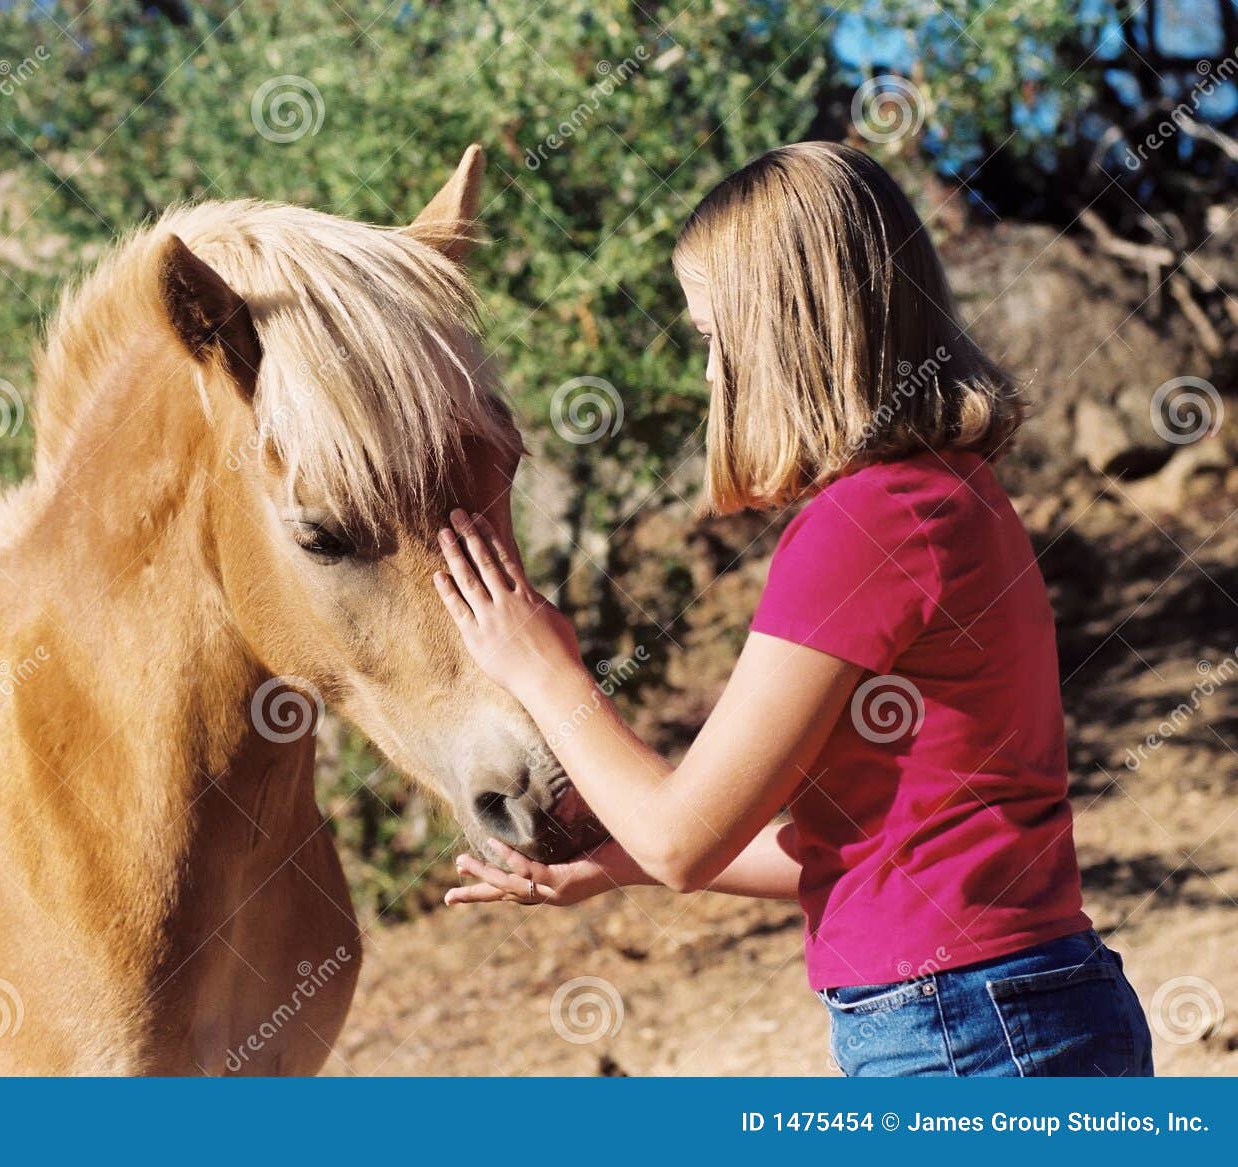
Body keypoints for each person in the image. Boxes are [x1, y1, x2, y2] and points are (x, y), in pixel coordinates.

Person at [432, 141, 1154, 1078]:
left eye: (709, 340)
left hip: (964, 1035)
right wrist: (611, 862)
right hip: (1014, 1010)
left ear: (781, 333)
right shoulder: (946, 496)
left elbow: (684, 840)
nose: (706, 377)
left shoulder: (865, 526)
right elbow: (840, 848)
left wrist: (541, 663)